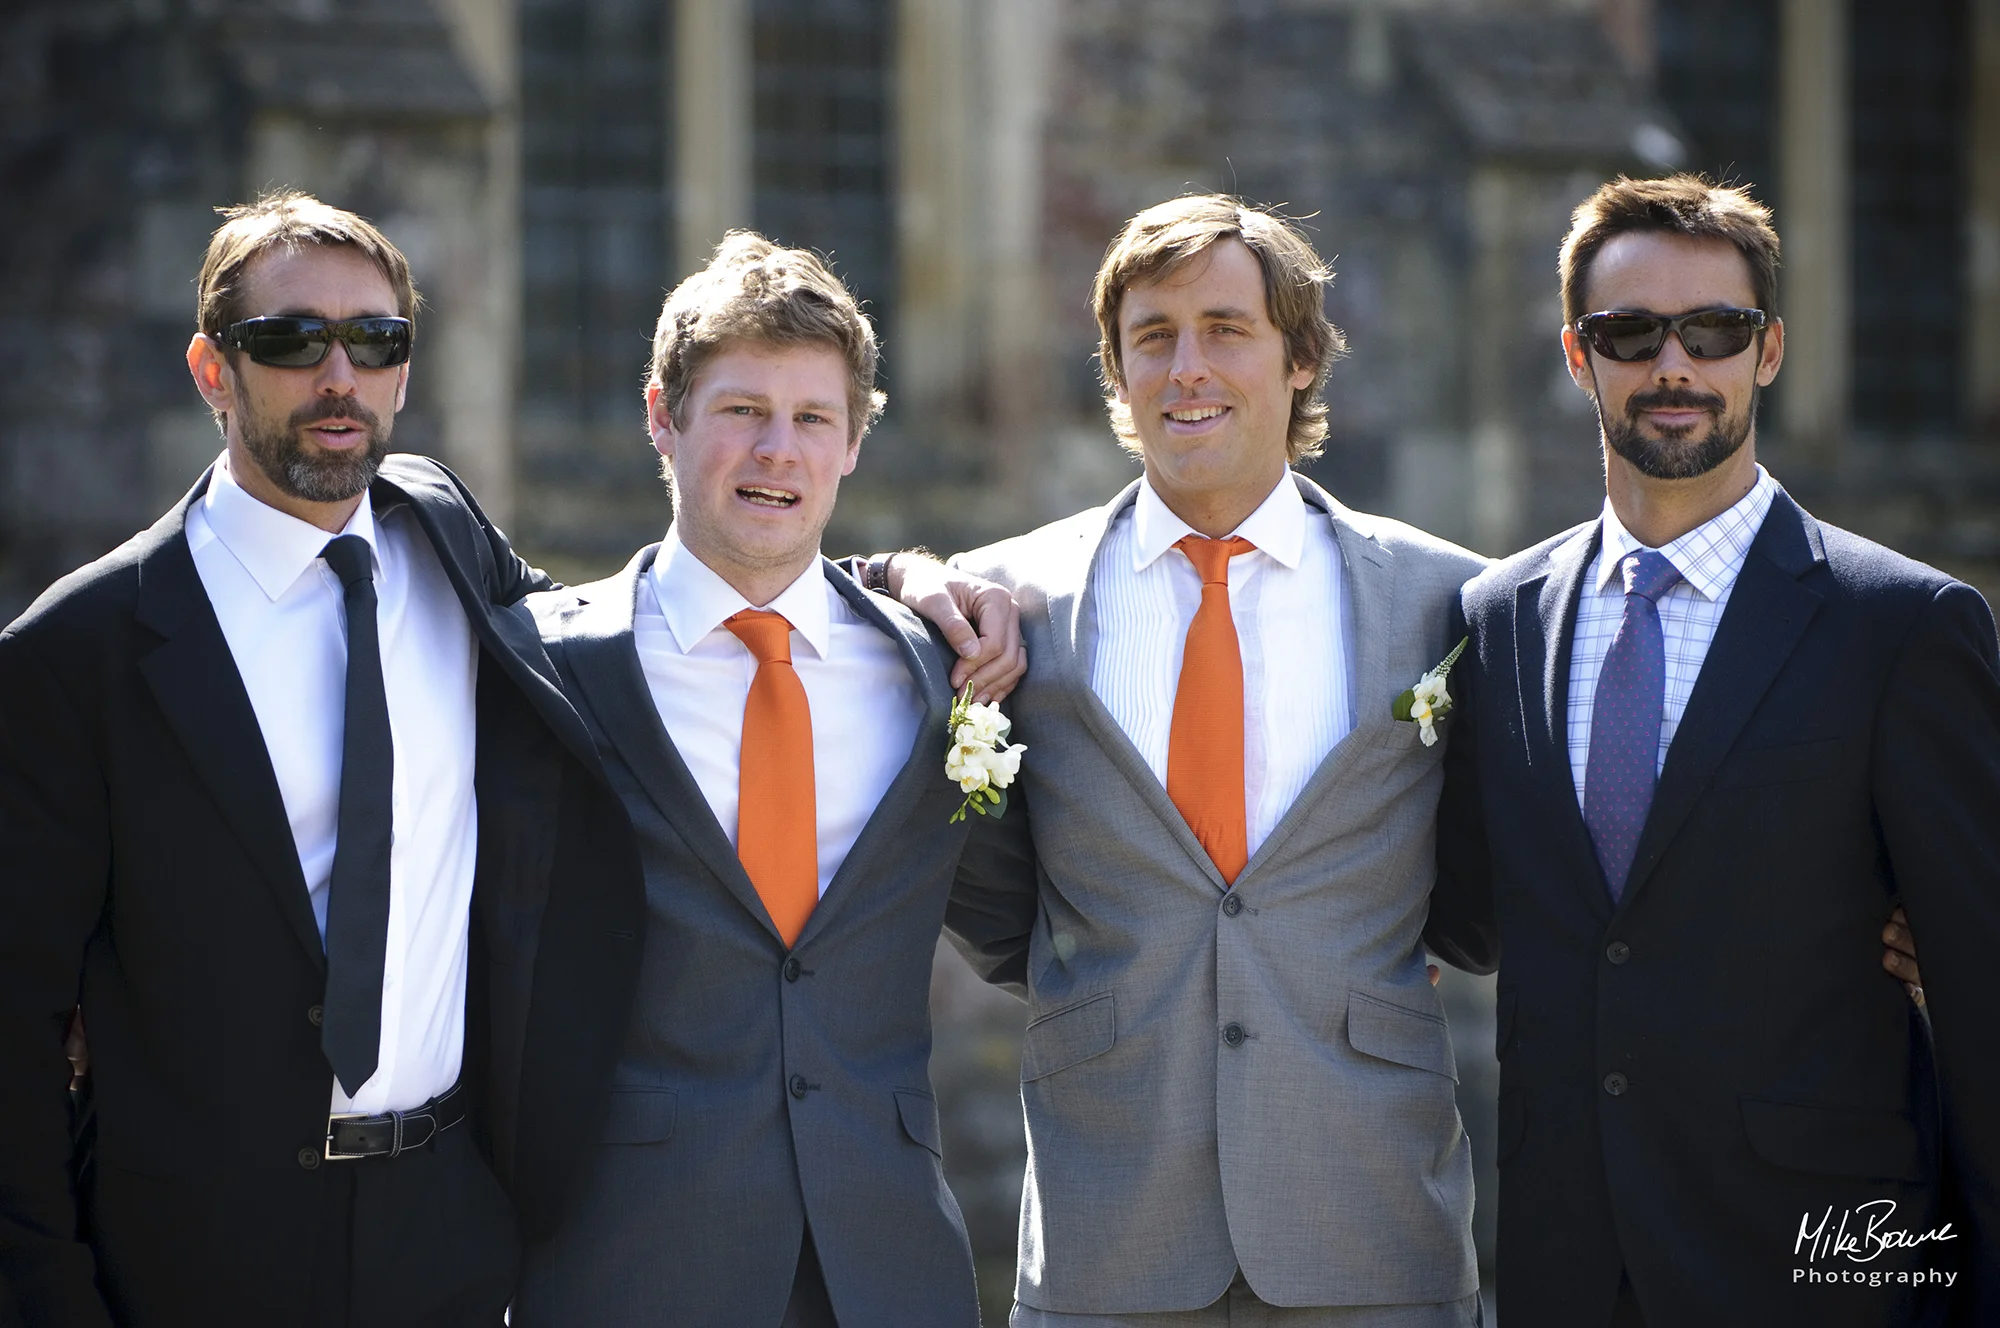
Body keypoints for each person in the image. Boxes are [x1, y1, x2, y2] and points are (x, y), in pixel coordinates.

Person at [0, 193, 644, 1327]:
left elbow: (647, 622)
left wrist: (893, 580)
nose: (338, 373)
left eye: (376, 339)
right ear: (212, 370)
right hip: (191, 1255)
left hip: (445, 1226)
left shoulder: (448, 539)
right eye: (293, 340)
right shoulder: (78, 649)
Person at [903, 194, 1492, 1326]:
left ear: (1301, 357)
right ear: (1115, 371)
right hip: (1110, 1229)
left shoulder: (1442, 598)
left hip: (1371, 1224)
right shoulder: (1010, 597)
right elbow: (987, 891)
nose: (1186, 367)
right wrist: (902, 570)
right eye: (1152, 336)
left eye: (1225, 328)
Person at [1426, 173, 2000, 1326]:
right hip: (1563, 1262)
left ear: (1768, 350)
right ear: (1577, 356)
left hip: (1827, 1269)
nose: (1672, 365)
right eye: (1629, 333)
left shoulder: (1901, 623)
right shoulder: (1495, 617)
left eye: (1714, 331)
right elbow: (1469, 910)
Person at [511, 233, 997, 1327]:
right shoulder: (543, 661)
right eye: (740, 410)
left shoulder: (937, 670)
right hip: (628, 1257)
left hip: (888, 1264)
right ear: (661, 416)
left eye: (813, 418)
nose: (777, 450)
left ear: (854, 442)